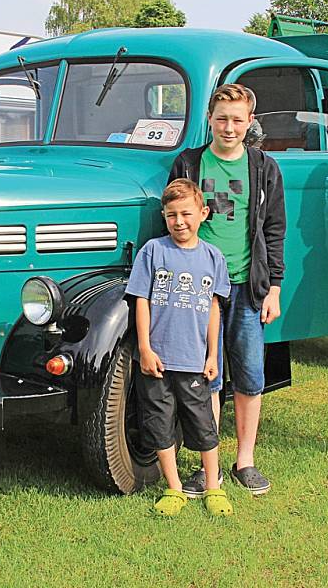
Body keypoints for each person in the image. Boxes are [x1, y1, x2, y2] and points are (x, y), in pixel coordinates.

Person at [168, 84, 286, 497]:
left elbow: (274, 231)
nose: (229, 127)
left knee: (250, 376)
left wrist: (274, 287)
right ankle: (209, 466)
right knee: (208, 375)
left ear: (250, 122)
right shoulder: (188, 163)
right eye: (222, 119)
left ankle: (246, 460)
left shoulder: (264, 168)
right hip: (201, 292)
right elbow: (173, 221)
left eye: (237, 119)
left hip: (247, 287)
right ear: (210, 120)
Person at [125, 178, 233, 516]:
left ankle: (213, 486)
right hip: (157, 360)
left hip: (194, 361)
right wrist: (145, 348)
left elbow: (214, 308)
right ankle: (174, 488)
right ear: (164, 216)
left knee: (203, 423)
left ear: (203, 213)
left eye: (186, 214)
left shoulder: (213, 258)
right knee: (159, 421)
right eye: (171, 215)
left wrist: (213, 354)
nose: (179, 222)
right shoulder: (153, 252)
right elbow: (140, 301)